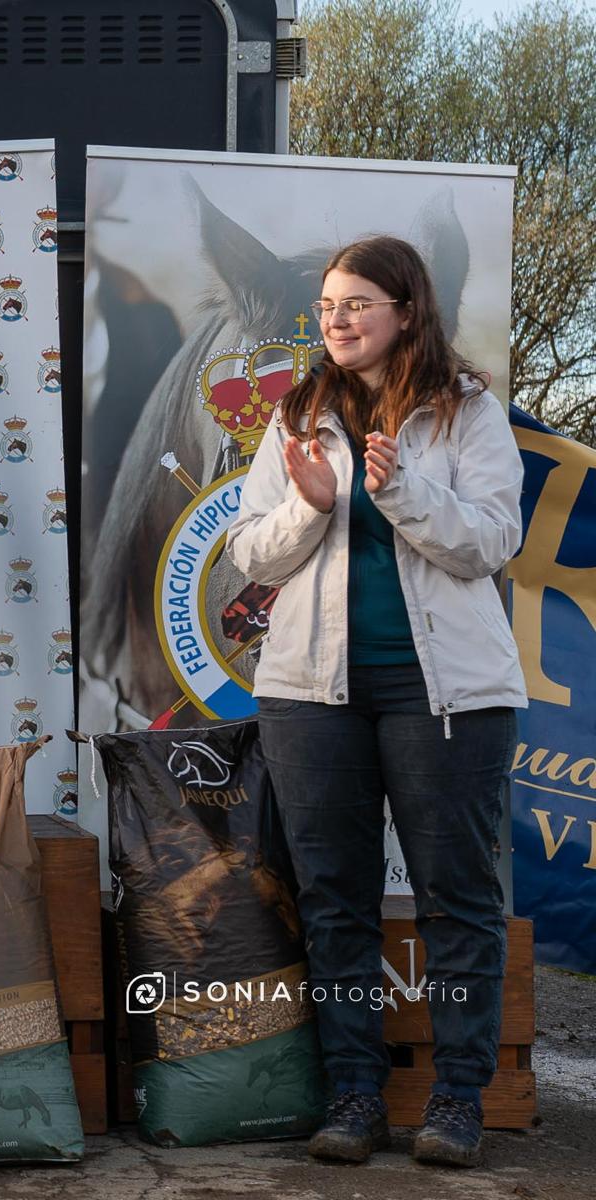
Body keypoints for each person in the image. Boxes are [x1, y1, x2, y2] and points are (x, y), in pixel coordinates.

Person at [229, 236, 525, 1170]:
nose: (338, 319)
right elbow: (250, 554)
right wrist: (311, 505)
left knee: (458, 900)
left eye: (358, 302)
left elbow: (490, 542)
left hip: (448, 698)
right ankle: (354, 1095)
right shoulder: (297, 414)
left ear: (406, 310)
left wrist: (398, 491)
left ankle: (457, 1100)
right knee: (334, 901)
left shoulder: (468, 411)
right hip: (312, 698)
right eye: (326, 306)